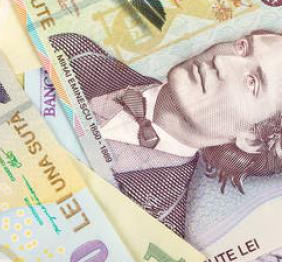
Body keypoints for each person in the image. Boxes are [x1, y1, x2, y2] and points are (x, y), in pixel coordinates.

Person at [50, 31, 282, 238]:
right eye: (242, 47)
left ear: (251, 139)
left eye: (252, 82)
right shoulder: (70, 51)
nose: (222, 60)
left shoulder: (162, 229)